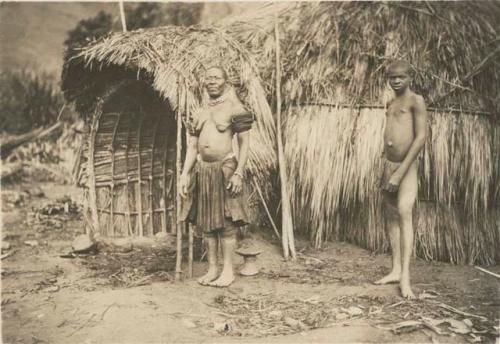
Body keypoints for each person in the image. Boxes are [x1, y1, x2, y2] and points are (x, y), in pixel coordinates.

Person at [179, 66, 254, 287]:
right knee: (207, 221)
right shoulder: (199, 112)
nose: (212, 81)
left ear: (225, 82)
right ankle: (213, 269)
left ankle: (228, 271)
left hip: (226, 168)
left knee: (226, 220)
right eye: (208, 78)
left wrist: (239, 172)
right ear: (204, 82)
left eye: (216, 78)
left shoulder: (235, 108)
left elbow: (244, 142)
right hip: (203, 170)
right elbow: (192, 146)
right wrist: (185, 174)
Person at [374, 60, 428, 299]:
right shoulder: (391, 102)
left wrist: (399, 172)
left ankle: (405, 276)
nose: (396, 81)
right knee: (390, 214)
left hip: (406, 167)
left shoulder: (416, 101)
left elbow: (420, 138)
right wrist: (386, 162)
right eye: (392, 77)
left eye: (400, 77)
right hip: (389, 165)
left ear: (410, 77)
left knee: (405, 211)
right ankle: (395, 269)